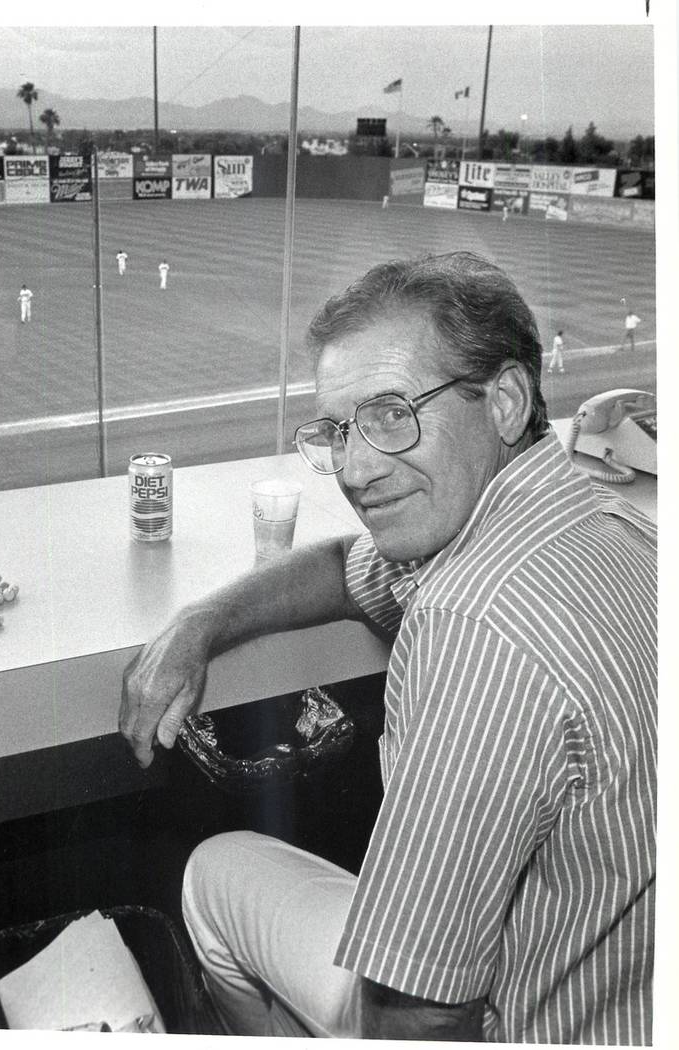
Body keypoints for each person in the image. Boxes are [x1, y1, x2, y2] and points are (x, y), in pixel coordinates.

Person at [119, 251, 656, 1044]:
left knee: (210, 875)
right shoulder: (600, 514)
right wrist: (200, 622)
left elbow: (420, 1014)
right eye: (337, 429)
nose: (354, 468)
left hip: (520, 1020)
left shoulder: (473, 627)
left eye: (390, 413)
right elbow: (345, 567)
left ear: (504, 400)